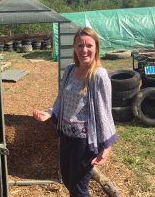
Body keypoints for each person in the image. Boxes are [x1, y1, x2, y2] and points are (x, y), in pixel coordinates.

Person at [33, 27, 118, 197]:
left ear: (96, 48)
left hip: (85, 142)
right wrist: (49, 112)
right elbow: (61, 99)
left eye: (89, 45)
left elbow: (105, 112)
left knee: (79, 189)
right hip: (66, 136)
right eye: (80, 45)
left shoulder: (99, 76)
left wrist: (107, 145)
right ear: (74, 47)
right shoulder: (70, 70)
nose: (84, 50)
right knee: (67, 179)